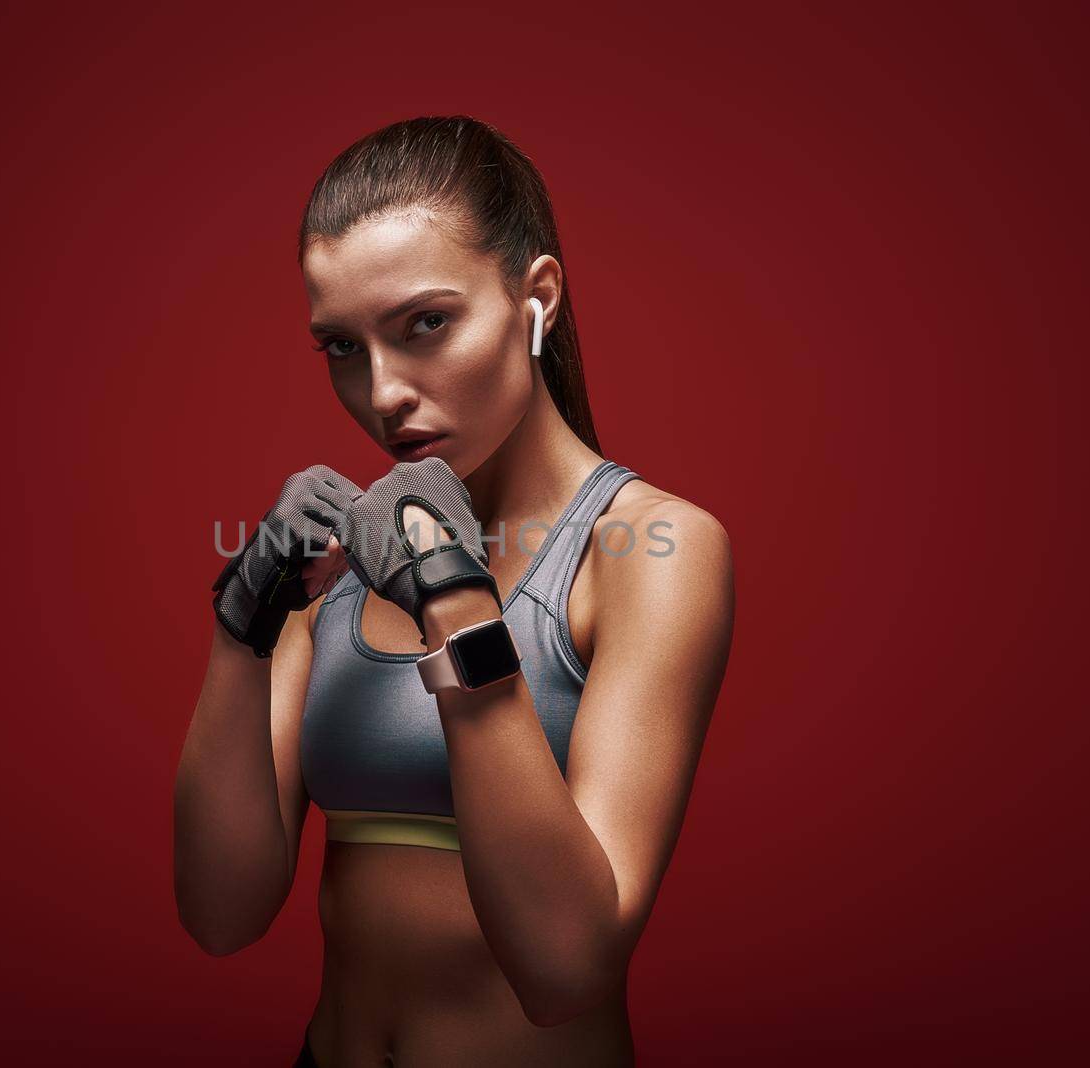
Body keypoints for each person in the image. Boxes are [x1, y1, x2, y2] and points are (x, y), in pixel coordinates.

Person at [175, 115, 734, 1066]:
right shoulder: (335, 570)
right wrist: (243, 629)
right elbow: (220, 914)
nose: (384, 390)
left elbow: (565, 967)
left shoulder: (650, 550)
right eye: (342, 348)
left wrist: (452, 593)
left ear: (536, 298)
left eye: (425, 324)